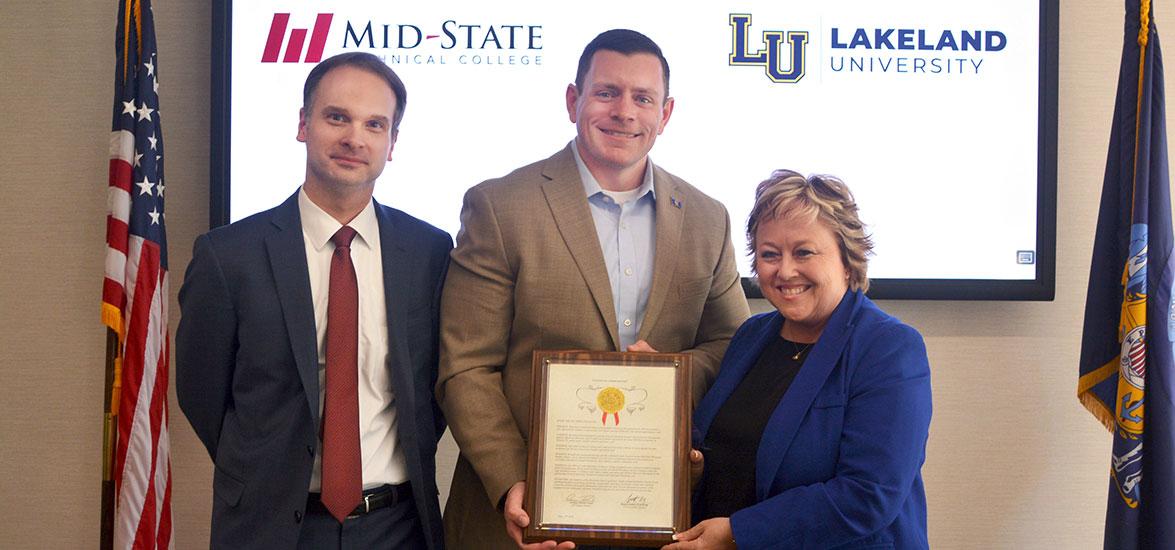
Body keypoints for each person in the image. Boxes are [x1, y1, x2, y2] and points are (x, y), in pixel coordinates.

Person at [437, 29, 750, 550]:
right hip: (517, 520)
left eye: (642, 98)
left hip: (654, 517)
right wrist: (515, 480)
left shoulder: (706, 218)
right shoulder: (500, 206)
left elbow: (734, 349)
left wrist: (669, 375)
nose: (624, 112)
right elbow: (465, 365)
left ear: (665, 114)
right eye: (606, 92)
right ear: (572, 100)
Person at [176, 52, 451, 549]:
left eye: (375, 124)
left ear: (392, 144)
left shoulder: (429, 252)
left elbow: (434, 390)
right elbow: (202, 394)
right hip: (269, 526)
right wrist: (266, 469)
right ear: (304, 124)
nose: (354, 138)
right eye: (337, 117)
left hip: (397, 526)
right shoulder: (227, 255)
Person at [666, 171, 933, 550]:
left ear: (847, 258)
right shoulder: (751, 337)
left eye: (804, 252)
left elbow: (868, 495)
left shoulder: (889, 348)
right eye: (769, 254)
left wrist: (737, 533)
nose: (785, 270)